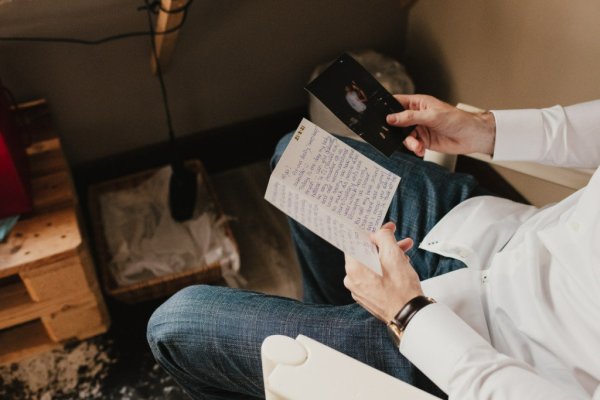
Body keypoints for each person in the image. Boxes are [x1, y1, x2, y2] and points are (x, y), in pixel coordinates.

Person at [147, 94, 600, 400]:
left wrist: (407, 313)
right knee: (300, 160)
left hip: (473, 356)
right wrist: (484, 130)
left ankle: (338, 357)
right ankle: (336, 324)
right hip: (498, 236)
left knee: (176, 325)